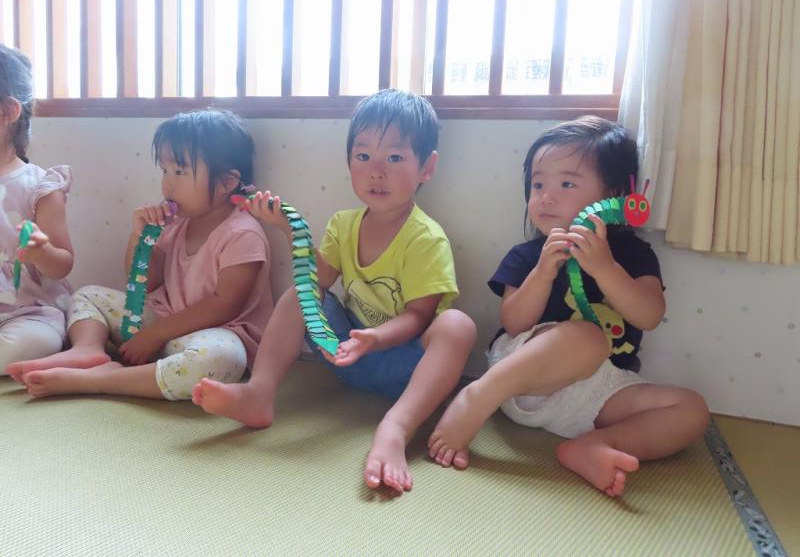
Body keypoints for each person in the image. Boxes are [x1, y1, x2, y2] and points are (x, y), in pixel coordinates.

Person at [193, 89, 476, 494]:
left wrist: (374, 338)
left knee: (457, 325)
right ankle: (259, 393)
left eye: (394, 158)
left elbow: (419, 317)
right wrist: (289, 229)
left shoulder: (425, 238)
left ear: (426, 167)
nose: (376, 171)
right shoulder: (343, 225)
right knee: (301, 293)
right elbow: (315, 285)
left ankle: (395, 428)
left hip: (407, 368)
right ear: (348, 163)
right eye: (363, 156)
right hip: (345, 354)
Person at [428, 116, 709, 497]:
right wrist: (542, 274)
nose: (546, 196)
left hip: (595, 393)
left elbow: (649, 315)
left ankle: (595, 446)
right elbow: (513, 323)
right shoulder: (528, 255)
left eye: (567, 184)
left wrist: (605, 268)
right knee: (589, 338)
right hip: (520, 379)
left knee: (691, 410)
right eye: (538, 184)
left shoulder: (633, 254)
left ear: (614, 194)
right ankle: (477, 397)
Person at [14, 110, 274, 402]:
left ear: (227, 182)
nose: (167, 184)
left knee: (223, 360)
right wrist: (140, 236)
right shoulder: (176, 222)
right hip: (164, 323)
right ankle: (87, 349)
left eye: (180, 172)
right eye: (164, 170)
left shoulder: (242, 234)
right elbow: (143, 283)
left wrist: (156, 334)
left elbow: (224, 305)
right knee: (87, 295)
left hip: (215, 334)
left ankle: (101, 380)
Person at [0, 44, 74, 375]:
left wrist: (42, 252)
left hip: (30, 313)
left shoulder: (39, 186)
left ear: (8, 113)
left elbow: (63, 264)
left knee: (31, 342)